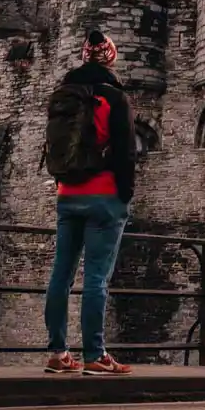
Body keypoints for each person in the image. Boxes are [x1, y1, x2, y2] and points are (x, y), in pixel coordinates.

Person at [42, 30, 136, 375]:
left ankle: (57, 352)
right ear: (111, 57)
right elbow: (126, 151)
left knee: (60, 275)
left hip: (67, 194)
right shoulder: (115, 97)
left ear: (84, 56)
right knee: (97, 277)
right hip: (103, 196)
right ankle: (95, 354)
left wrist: (63, 183)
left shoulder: (64, 94)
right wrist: (125, 194)